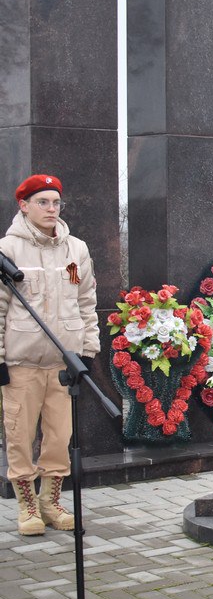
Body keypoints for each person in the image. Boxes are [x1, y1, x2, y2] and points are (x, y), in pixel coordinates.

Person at [0, 175, 98, 536]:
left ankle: (50, 502)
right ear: (23, 206)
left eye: (56, 203)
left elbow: (87, 302)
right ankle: (26, 506)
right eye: (42, 202)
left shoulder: (76, 249)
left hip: (63, 363)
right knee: (19, 437)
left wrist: (87, 351)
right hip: (21, 363)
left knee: (59, 437)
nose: (51, 209)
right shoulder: (8, 250)